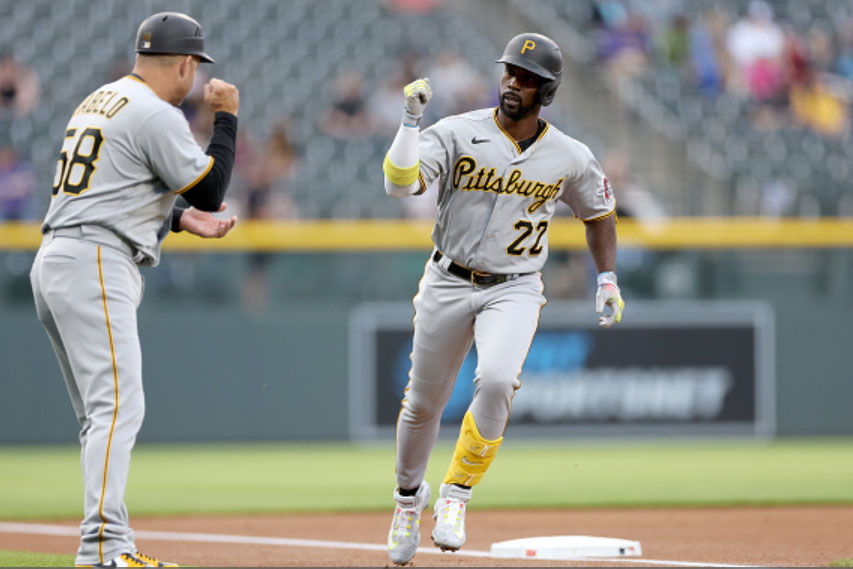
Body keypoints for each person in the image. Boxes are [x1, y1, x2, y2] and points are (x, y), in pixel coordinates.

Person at [381, 32, 625, 565]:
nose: (514, 82)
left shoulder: (568, 155)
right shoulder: (457, 131)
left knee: (495, 381)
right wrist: (408, 122)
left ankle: (455, 496)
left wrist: (606, 278)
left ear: (548, 90)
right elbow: (400, 185)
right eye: (510, 71)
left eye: (528, 77)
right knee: (422, 404)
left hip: (515, 285)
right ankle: (406, 502)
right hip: (447, 278)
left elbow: (600, 213)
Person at [29, 12, 239, 568]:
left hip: (58, 257)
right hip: (96, 261)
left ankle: (107, 543)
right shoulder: (156, 112)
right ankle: (102, 549)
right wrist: (227, 119)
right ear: (188, 64)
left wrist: (173, 220)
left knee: (101, 413)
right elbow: (213, 191)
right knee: (119, 408)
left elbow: (110, 186)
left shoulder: (101, 98)